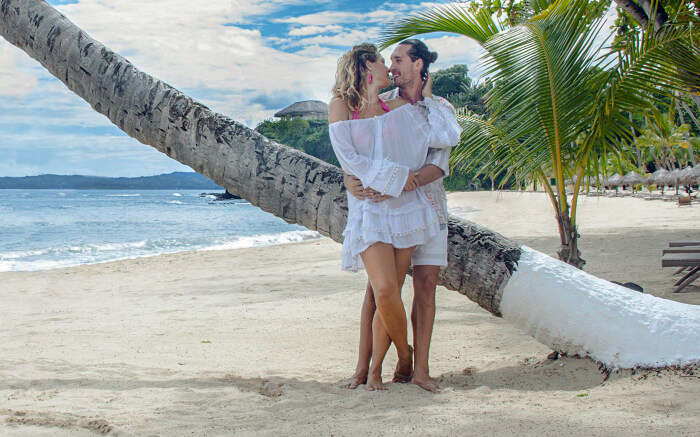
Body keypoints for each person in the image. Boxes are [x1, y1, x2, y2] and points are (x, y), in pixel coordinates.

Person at [341, 39, 459, 392]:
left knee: (425, 287)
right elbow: (360, 148)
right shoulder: (383, 104)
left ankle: (418, 370)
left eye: (398, 59)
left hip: (429, 207)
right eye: (389, 60)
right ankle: (364, 368)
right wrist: (351, 178)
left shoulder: (439, 109)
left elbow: (440, 161)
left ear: (419, 64)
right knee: (378, 290)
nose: (391, 67)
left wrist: (404, 184)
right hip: (388, 209)